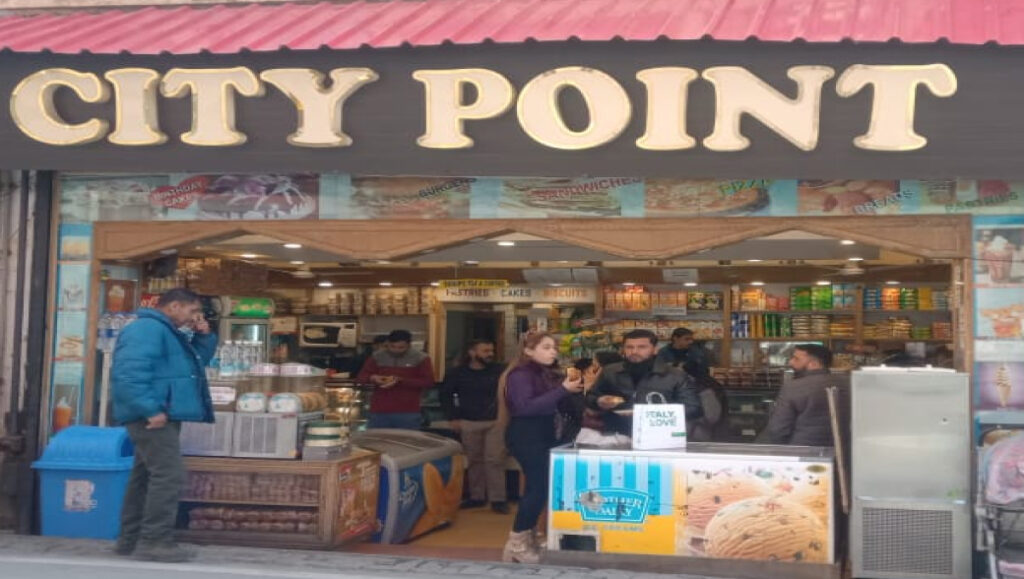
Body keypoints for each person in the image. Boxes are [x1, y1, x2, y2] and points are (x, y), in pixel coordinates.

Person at [111, 288, 217, 563]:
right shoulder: (147, 329)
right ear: (175, 306)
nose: (195, 316)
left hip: (160, 412)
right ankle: (154, 541)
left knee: (145, 476)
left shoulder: (167, 331)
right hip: (152, 415)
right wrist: (150, 409)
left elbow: (190, 368)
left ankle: (130, 540)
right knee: (168, 475)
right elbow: (129, 373)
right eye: (192, 311)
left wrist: (204, 337)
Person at [499, 333, 584, 563]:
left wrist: (575, 389)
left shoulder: (545, 373)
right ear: (528, 350)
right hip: (527, 435)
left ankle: (528, 537)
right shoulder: (520, 374)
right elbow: (524, 408)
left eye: (554, 347)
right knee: (537, 488)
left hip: (545, 434)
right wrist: (563, 389)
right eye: (546, 347)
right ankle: (517, 543)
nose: (553, 351)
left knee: (541, 488)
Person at [588, 329, 703, 441]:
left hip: (660, 437)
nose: (634, 351)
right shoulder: (610, 371)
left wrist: (650, 414)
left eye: (642, 347)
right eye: (629, 347)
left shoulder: (675, 376)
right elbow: (590, 397)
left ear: (655, 350)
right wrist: (599, 401)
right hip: (616, 435)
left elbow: (694, 409)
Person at [440, 339, 509, 514]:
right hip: (468, 421)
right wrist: (453, 418)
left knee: (495, 460)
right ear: (472, 353)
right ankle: (477, 496)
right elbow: (446, 395)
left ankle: (498, 499)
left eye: (491, 350)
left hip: (496, 421)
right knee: (474, 460)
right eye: (485, 351)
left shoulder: (499, 371)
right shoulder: (457, 373)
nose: (490, 354)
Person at [760, 344, 836, 446]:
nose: (790, 362)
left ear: (814, 364)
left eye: (796, 359)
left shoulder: (793, 387)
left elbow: (778, 429)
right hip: (842, 450)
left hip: (802, 450)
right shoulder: (847, 383)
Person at [357, 329, 435, 429]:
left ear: (409, 345)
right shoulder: (377, 356)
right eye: (392, 346)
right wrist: (373, 378)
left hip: (408, 411)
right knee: (377, 438)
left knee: (406, 438)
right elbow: (361, 377)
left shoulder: (421, 358)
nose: (396, 350)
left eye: (401, 347)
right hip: (379, 411)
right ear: (388, 343)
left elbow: (428, 382)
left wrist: (401, 381)